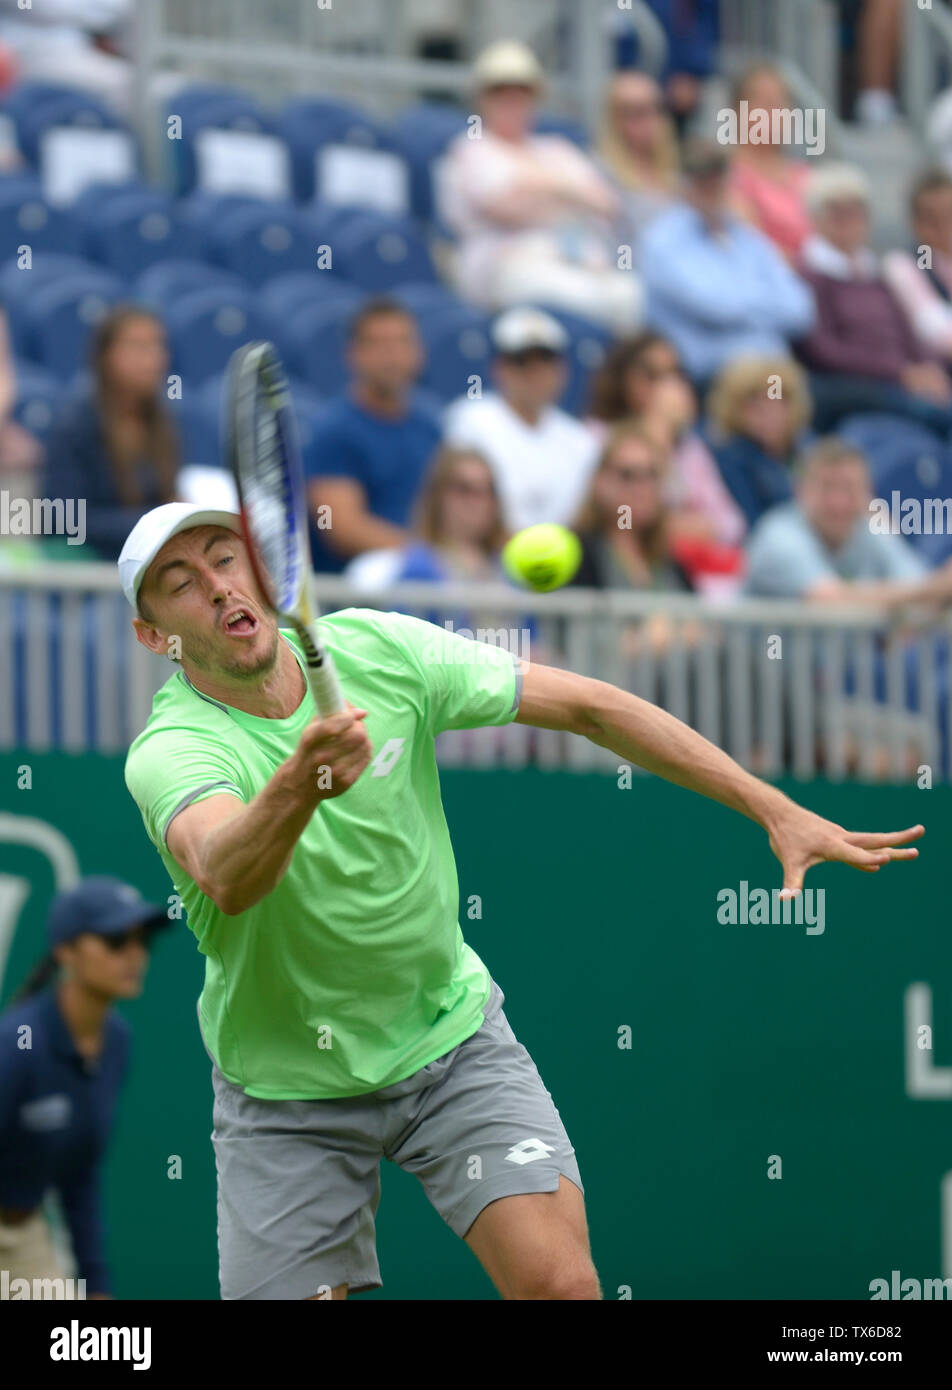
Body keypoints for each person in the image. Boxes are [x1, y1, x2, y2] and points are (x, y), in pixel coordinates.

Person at [119, 501, 923, 1299]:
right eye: (183, 583)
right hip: (286, 1093)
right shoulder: (171, 748)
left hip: (449, 1046)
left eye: (226, 559)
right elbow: (226, 875)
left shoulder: (379, 648)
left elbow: (591, 708)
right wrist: (303, 781)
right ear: (155, 636)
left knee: (561, 1289)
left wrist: (770, 807)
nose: (220, 588)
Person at [0, 877, 169, 1300]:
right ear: (66, 952)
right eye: (115, 940)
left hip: (26, 1237)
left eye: (141, 941)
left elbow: (80, 1175)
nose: (134, 955)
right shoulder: (16, 1047)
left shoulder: (117, 1042)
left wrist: (95, 1287)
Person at [438, 39, 641, 333]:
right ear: (482, 99)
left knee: (629, 294)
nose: (511, 102)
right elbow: (503, 209)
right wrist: (567, 193)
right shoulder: (471, 149)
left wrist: (540, 188)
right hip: (509, 267)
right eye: (500, 93)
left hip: (580, 262)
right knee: (565, 296)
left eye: (521, 93)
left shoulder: (557, 148)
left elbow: (608, 204)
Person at [639, 139, 815, 387]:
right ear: (684, 183)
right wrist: (766, 306)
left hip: (771, 372)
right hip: (705, 377)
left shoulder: (746, 236)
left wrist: (742, 304)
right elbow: (716, 307)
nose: (712, 186)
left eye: (718, 177)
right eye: (702, 179)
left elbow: (800, 311)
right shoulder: (662, 240)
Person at [794, 164, 952, 435]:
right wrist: (900, 372)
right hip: (858, 387)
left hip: (902, 380)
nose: (848, 222)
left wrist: (929, 369)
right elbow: (823, 350)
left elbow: (907, 334)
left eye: (855, 213)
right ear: (817, 219)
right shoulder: (811, 275)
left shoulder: (874, 273)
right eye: (837, 214)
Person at [304, 298, 441, 574]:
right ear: (353, 354)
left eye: (403, 342)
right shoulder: (333, 430)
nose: (392, 356)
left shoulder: (430, 426)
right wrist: (429, 557)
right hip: (357, 587)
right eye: (379, 344)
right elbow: (341, 529)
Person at [443, 306, 599, 533]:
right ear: (499, 368)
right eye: (522, 361)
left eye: (545, 360)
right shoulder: (470, 420)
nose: (535, 371)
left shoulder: (581, 440)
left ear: (562, 370)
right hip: (489, 557)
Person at [42, 305, 179, 562]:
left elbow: (167, 496)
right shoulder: (75, 424)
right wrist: (153, 521)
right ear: (106, 356)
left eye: (158, 346)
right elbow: (64, 519)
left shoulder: (164, 421)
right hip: (83, 571)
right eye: (138, 347)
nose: (153, 359)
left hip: (144, 562)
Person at [744, 436, 950, 602]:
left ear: (868, 494)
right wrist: (937, 587)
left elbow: (918, 586)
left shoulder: (869, 528)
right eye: (827, 488)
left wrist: (932, 591)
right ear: (800, 491)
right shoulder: (777, 535)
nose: (838, 502)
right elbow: (831, 601)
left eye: (850, 489)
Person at [587, 332, 746, 547]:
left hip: (681, 571)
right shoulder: (595, 437)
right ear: (622, 378)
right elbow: (622, 522)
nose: (666, 387)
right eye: (652, 375)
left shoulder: (689, 448)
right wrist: (656, 430)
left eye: (674, 375)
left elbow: (732, 525)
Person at [344, 446, 507, 590]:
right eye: (463, 489)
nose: (476, 501)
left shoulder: (507, 568)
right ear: (438, 496)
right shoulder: (419, 567)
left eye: (486, 490)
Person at [703, 355, 814, 530]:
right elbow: (754, 524)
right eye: (756, 406)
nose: (769, 414)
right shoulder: (731, 458)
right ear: (735, 409)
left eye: (777, 402)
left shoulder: (807, 449)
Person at [726, 63, 815, 262]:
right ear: (737, 111)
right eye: (765, 102)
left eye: (780, 102)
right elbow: (752, 248)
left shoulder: (805, 174)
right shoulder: (728, 176)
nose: (775, 111)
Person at [595, 70, 679, 237]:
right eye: (635, 111)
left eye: (655, 109)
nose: (649, 120)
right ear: (614, 119)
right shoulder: (601, 176)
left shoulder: (676, 176)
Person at [882, 168, 952, 365]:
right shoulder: (901, 264)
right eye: (932, 219)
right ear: (915, 223)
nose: (944, 227)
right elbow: (935, 331)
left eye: (949, 214)